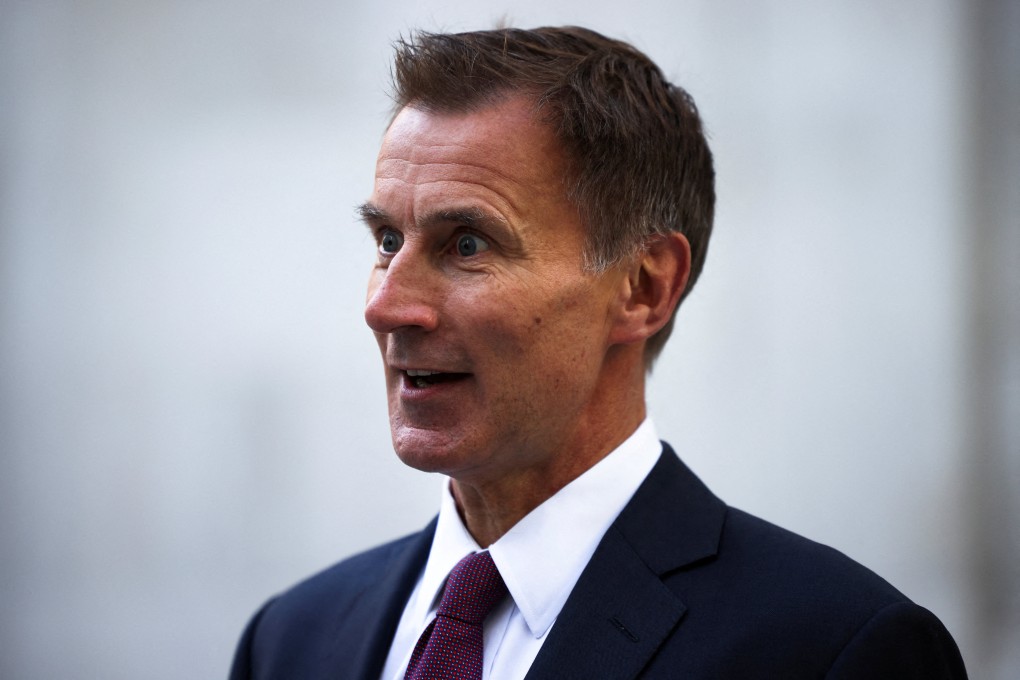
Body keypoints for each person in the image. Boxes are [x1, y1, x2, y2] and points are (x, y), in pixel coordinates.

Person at [229, 26, 967, 679]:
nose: (385, 305)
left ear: (645, 286)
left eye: (467, 244)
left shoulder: (834, 650)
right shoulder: (290, 641)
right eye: (387, 240)